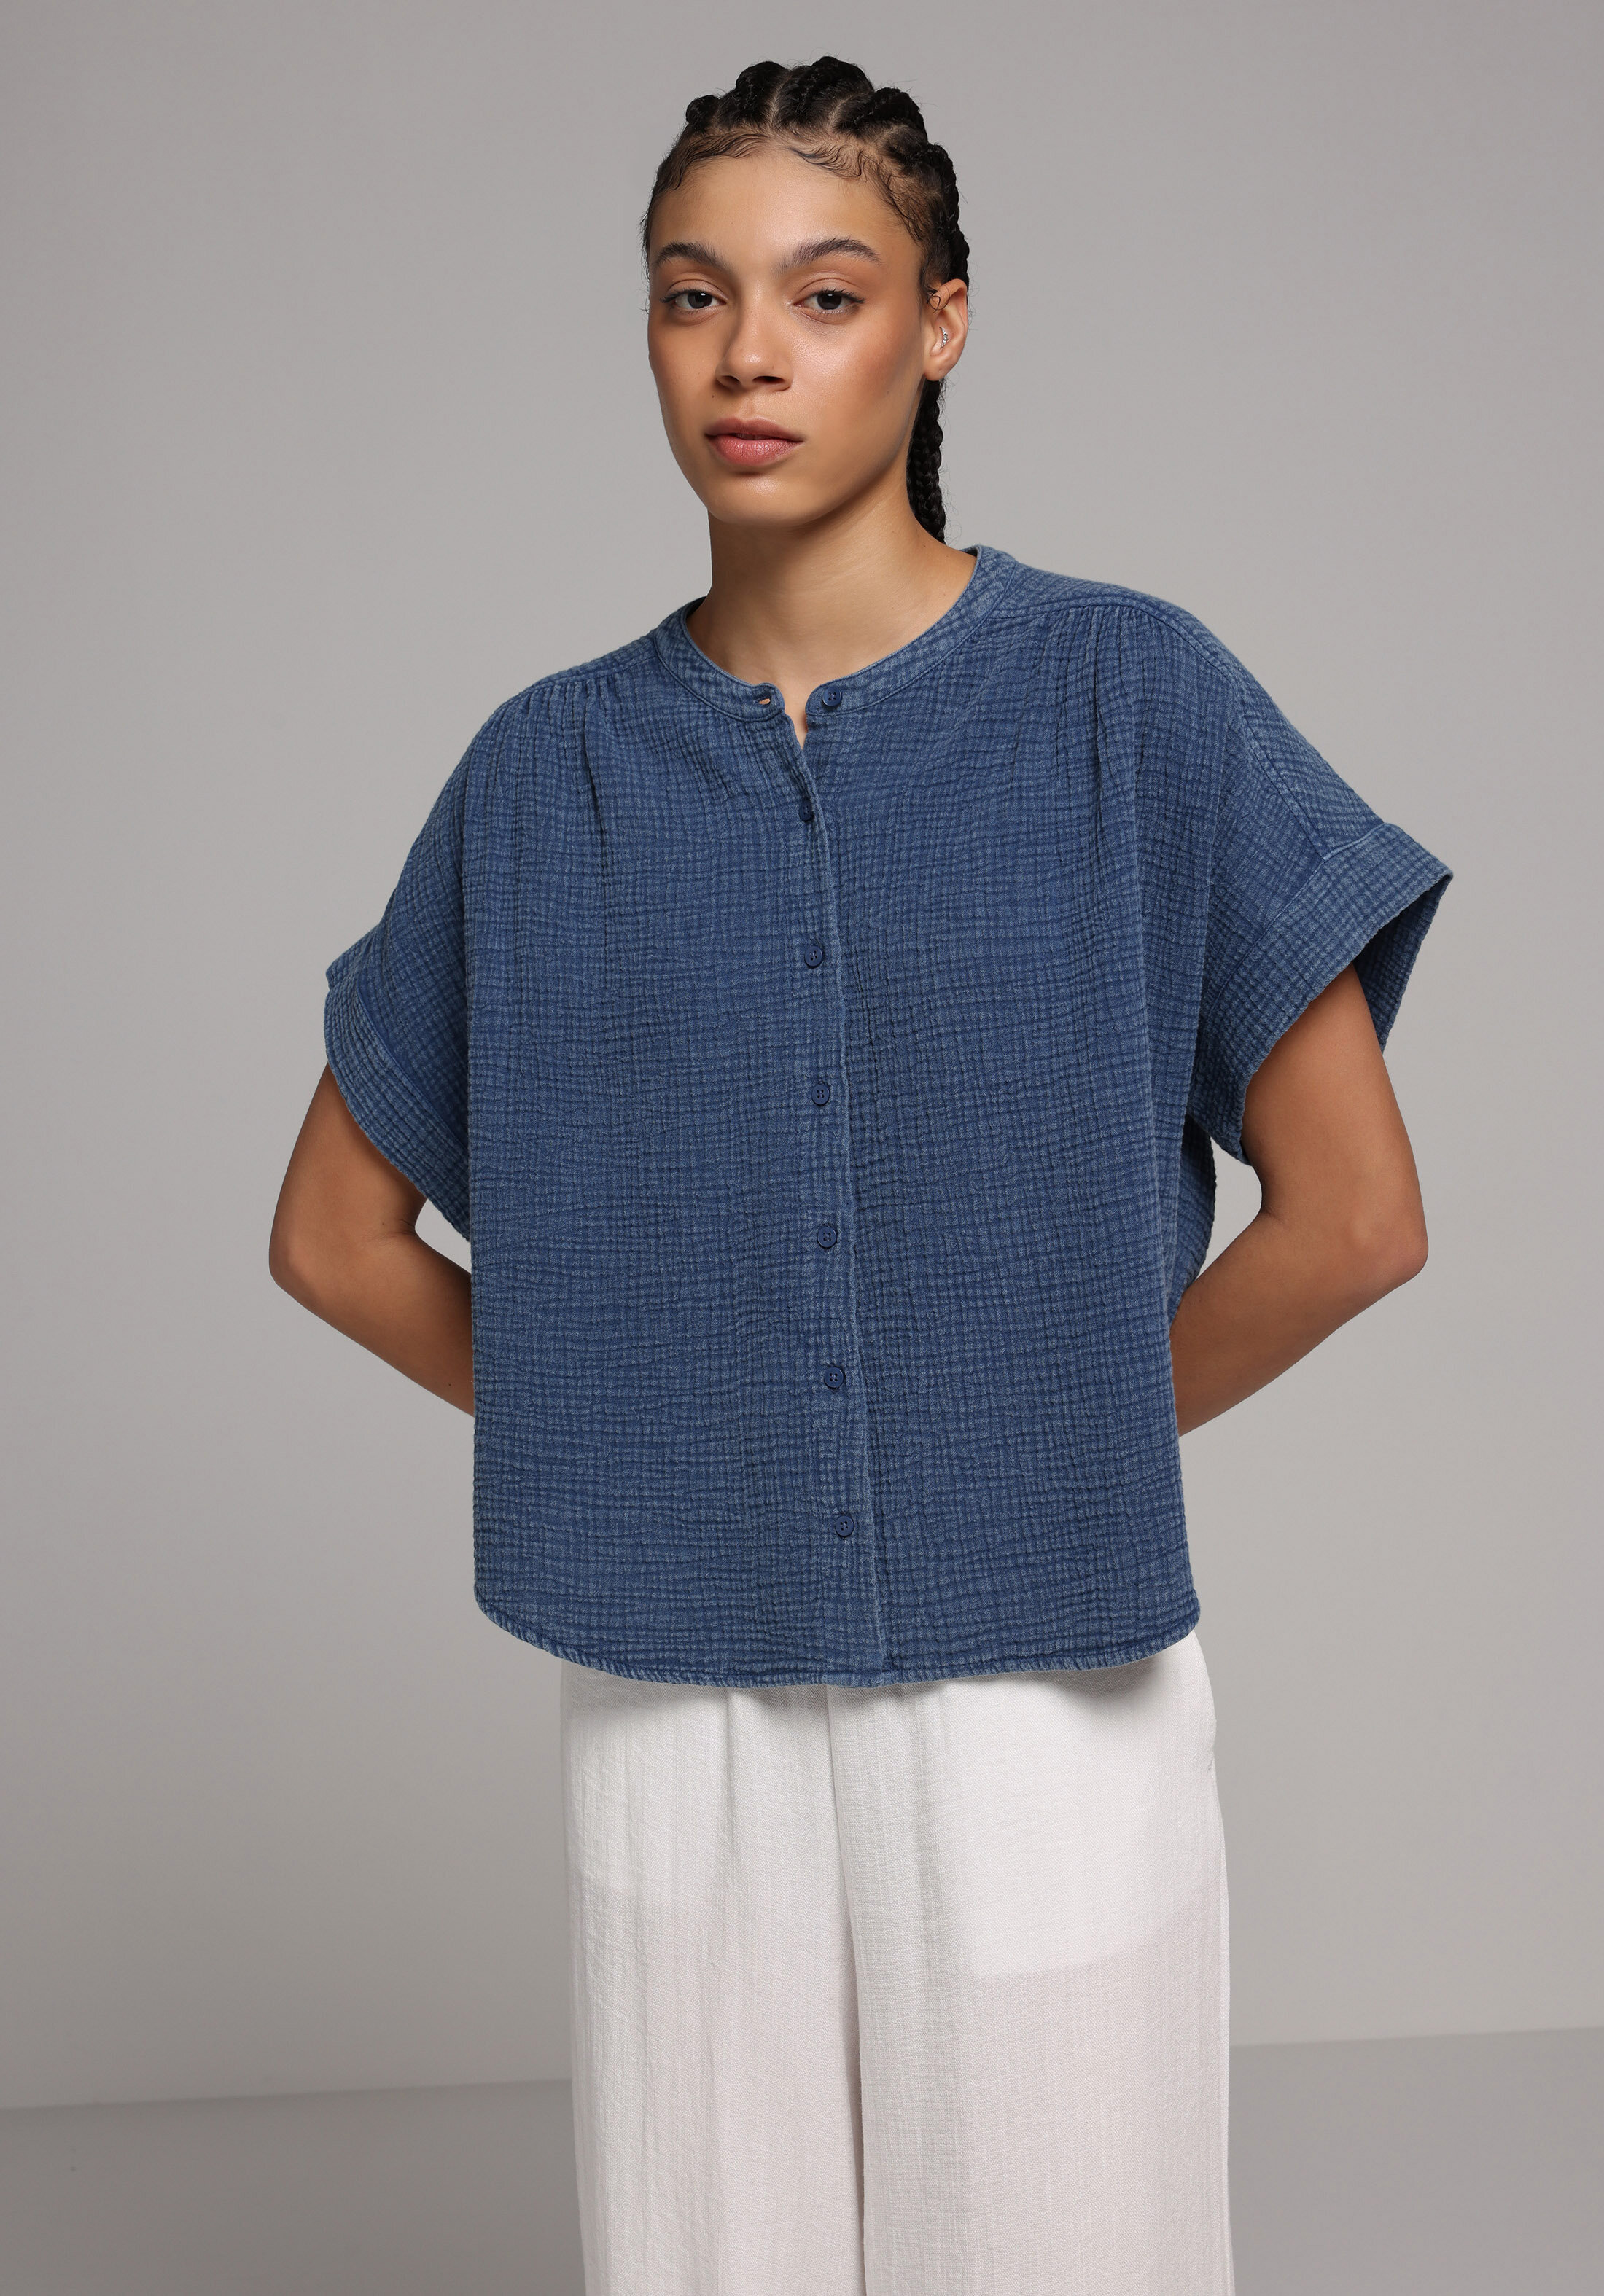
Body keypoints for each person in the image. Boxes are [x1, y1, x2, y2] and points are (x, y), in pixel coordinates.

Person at [269, 55, 1452, 2296]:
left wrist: (1054, 1440)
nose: (749, 355)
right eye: (691, 294)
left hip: (1044, 1706)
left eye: (824, 294)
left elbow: (1358, 1217)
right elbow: (332, 1239)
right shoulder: (542, 778)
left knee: (1067, 2247)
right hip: (677, 1709)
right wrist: (647, 1450)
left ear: (941, 324)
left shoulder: (1131, 698)